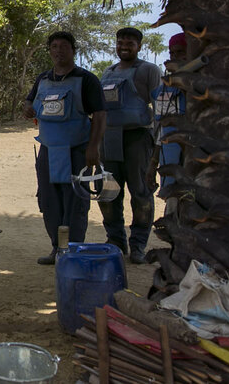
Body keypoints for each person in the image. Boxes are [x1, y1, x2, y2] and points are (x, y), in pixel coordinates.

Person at [23, 31, 106, 265]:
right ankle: (56, 249)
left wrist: (93, 147)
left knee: (75, 203)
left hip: (77, 150)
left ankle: (73, 251)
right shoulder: (43, 79)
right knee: (50, 202)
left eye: (64, 46)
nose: (58, 51)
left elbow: (99, 115)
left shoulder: (86, 79)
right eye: (54, 47)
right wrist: (27, 107)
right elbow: (30, 100)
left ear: (73, 50)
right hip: (49, 150)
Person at [99, 27, 162, 264]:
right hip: (110, 139)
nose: (124, 46)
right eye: (120, 42)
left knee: (141, 193)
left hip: (138, 139)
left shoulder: (148, 70)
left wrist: (156, 144)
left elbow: (160, 107)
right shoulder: (108, 72)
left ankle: (138, 245)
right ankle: (115, 240)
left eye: (130, 43)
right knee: (109, 193)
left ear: (139, 46)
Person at [150, 32, 188, 217]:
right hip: (171, 169)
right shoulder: (163, 90)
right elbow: (161, 131)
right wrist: (153, 164)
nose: (175, 58)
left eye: (181, 52)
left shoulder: (206, 90)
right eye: (172, 53)